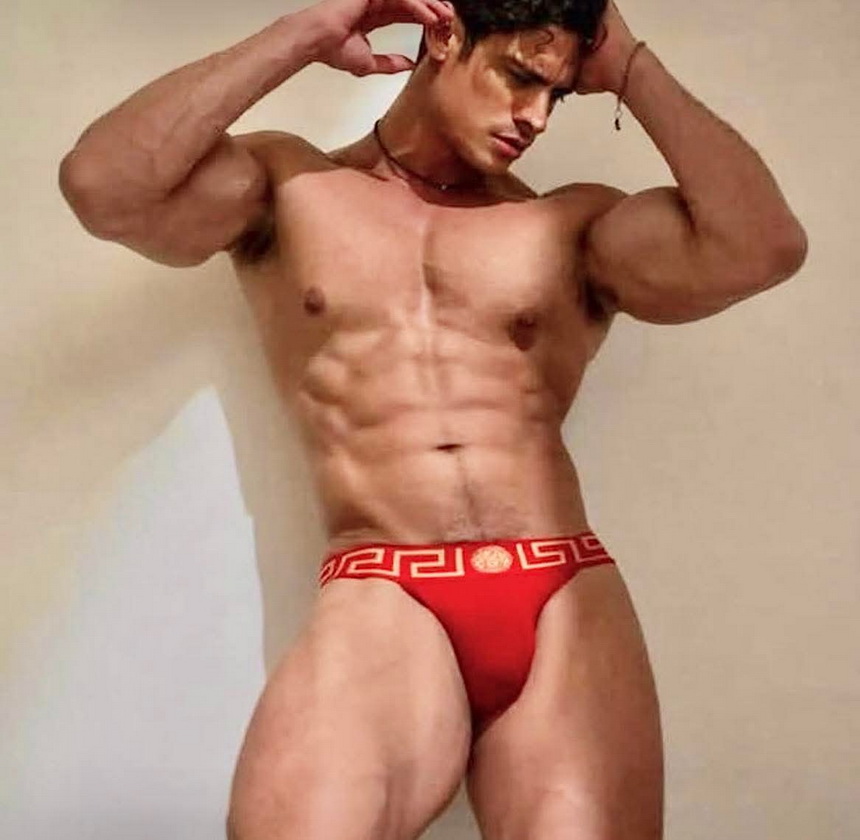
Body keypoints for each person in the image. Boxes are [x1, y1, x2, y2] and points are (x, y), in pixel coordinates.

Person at [58, 0, 808, 837]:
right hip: (384, 591)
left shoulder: (568, 226)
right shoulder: (290, 188)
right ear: (443, 34)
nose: (535, 117)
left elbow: (763, 247)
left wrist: (632, 67)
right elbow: (104, 186)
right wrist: (309, 31)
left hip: (561, 595)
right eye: (520, 76)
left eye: (557, 94)